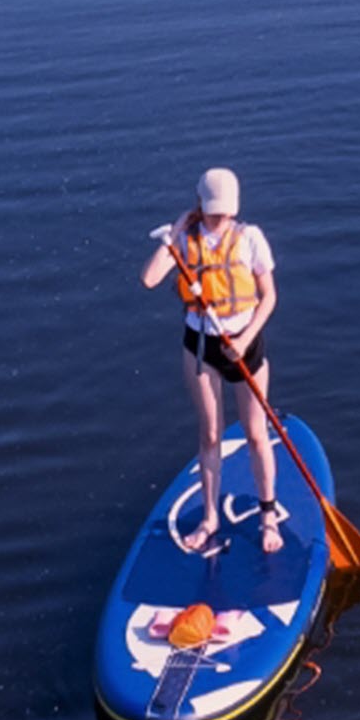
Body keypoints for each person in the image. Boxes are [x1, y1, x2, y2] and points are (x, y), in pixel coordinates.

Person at [141, 166, 282, 554]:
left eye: (224, 211)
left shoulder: (250, 238)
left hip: (244, 345)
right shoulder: (183, 240)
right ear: (200, 204)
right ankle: (209, 518)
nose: (219, 218)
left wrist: (245, 338)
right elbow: (150, 278)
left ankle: (267, 515)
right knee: (210, 434)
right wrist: (173, 231)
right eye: (212, 210)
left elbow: (268, 296)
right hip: (200, 346)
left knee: (255, 434)